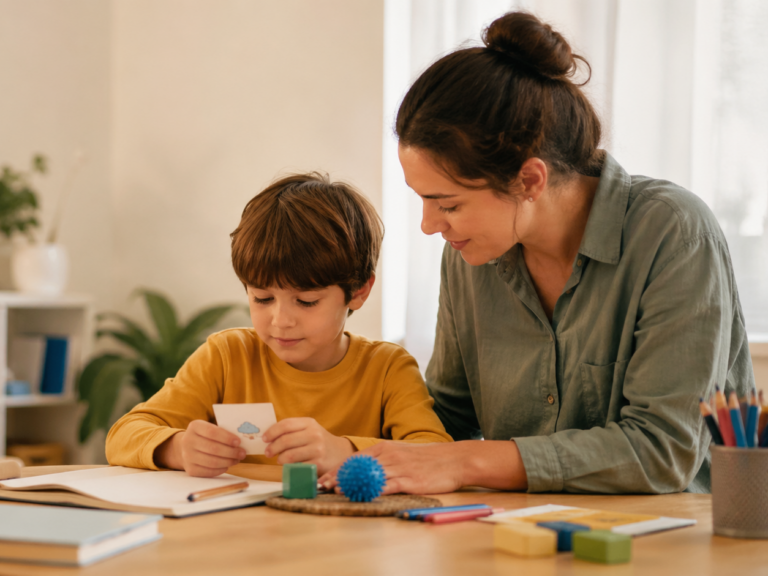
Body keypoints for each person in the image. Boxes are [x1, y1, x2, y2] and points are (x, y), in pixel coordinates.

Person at [322, 11, 754, 495]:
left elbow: (664, 451)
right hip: (522, 537)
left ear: (529, 179)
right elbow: (446, 422)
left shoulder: (673, 234)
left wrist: (465, 462)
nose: (428, 225)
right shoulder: (470, 258)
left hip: (675, 546)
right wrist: (341, 444)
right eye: (423, 200)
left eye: (448, 204)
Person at [105, 173, 452, 477]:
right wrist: (177, 448)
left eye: (306, 302)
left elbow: (436, 456)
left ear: (359, 291)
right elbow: (123, 435)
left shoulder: (387, 370)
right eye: (262, 298)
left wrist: (344, 452)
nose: (280, 321)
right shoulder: (226, 357)